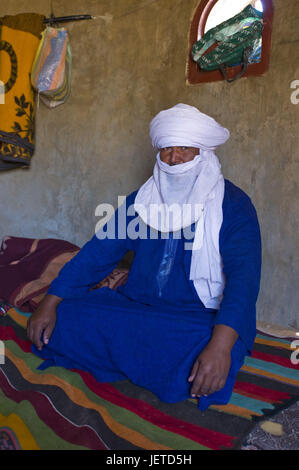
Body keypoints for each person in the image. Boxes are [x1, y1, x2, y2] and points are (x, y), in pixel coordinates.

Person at [27, 103, 262, 411]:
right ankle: (150, 365)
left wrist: (220, 344)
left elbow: (243, 280)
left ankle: (172, 359)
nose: (173, 158)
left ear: (203, 154)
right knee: (66, 317)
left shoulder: (233, 205)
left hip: (195, 317)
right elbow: (98, 253)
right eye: (166, 149)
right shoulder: (142, 200)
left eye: (183, 149)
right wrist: (50, 301)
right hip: (136, 306)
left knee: (206, 348)